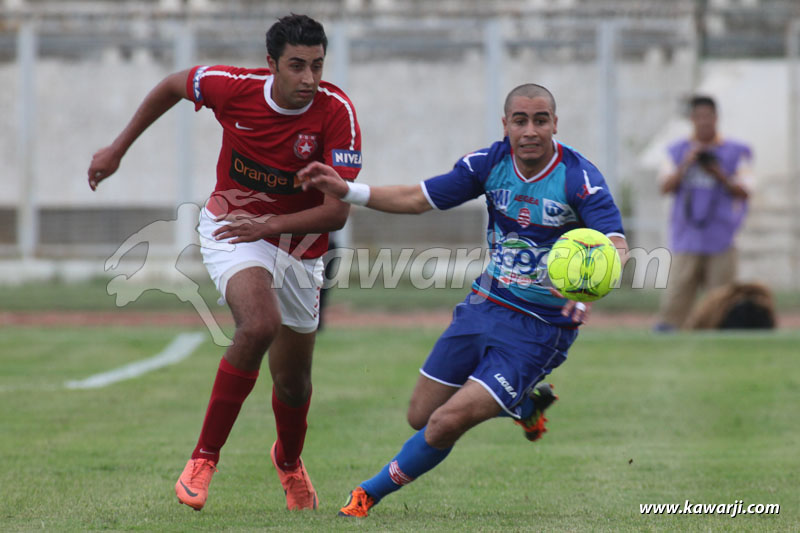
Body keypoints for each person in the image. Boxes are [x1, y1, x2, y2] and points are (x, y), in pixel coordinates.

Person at [298, 83, 628, 517]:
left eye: (541, 120)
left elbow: (615, 243)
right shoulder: (490, 163)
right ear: (505, 124)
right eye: (520, 120)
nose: (530, 130)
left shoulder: (579, 178)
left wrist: (586, 294)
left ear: (555, 124)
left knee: (445, 423)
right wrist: (348, 190)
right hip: (484, 305)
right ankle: (524, 403)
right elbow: (419, 199)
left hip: (540, 329)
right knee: (420, 415)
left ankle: (366, 495)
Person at [87, 14, 362, 511]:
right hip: (233, 230)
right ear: (271, 65)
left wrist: (270, 227)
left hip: (301, 247)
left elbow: (337, 212)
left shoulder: (336, 111)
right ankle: (203, 458)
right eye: (296, 66)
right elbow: (173, 85)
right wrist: (117, 148)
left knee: (294, 383)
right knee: (257, 325)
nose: (309, 79)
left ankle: (289, 461)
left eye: (317, 66)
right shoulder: (231, 88)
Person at [654, 95, 753, 332]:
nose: (704, 122)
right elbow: (664, 186)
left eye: (708, 116)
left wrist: (719, 173)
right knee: (676, 297)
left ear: (716, 117)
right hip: (686, 236)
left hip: (721, 236)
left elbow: (746, 190)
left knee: (722, 299)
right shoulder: (677, 150)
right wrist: (686, 164)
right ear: (691, 119)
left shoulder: (735, 151)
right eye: (698, 117)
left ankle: (721, 334)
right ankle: (668, 334)